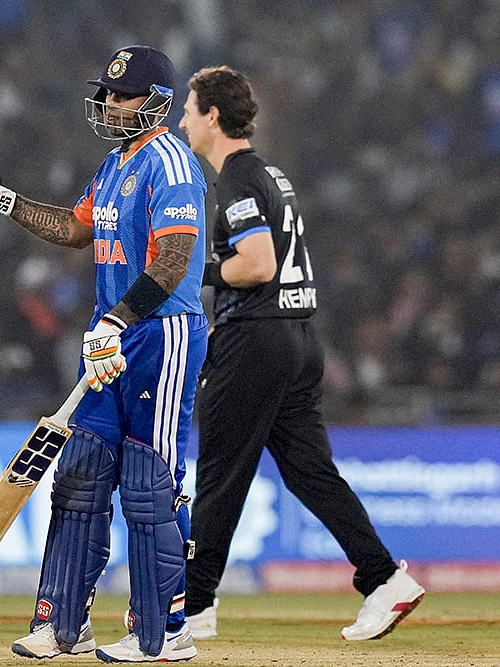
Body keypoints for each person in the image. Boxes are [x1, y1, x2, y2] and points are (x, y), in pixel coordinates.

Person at [0, 45, 208, 662]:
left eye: (122, 95)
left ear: (157, 102)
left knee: (148, 487)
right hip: (110, 337)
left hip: (160, 335)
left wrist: (117, 319)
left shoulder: (170, 162)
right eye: (108, 93)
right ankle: (63, 624)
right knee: (80, 478)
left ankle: (164, 633)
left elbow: (171, 261)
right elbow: (74, 227)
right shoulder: (116, 164)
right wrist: (2, 200)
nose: (110, 104)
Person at [177, 65, 425, 642]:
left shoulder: (236, 178)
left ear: (213, 116)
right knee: (311, 473)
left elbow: (258, 264)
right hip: (296, 338)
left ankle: (193, 606)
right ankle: (385, 578)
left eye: (190, 110)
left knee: (220, 471)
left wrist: (197, 273)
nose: (183, 120)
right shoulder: (271, 174)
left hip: (257, 342)